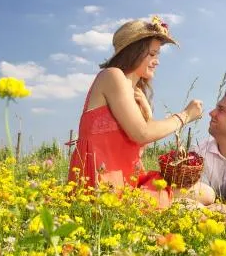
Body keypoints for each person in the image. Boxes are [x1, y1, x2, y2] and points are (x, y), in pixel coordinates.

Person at [68, 16, 214, 207]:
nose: (157, 62)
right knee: (200, 197)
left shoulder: (135, 94)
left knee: (206, 192)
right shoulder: (112, 75)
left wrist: (148, 116)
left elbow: (136, 147)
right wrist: (185, 115)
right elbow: (141, 133)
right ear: (133, 52)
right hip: (102, 187)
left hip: (128, 182)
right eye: (152, 54)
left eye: (158, 55)